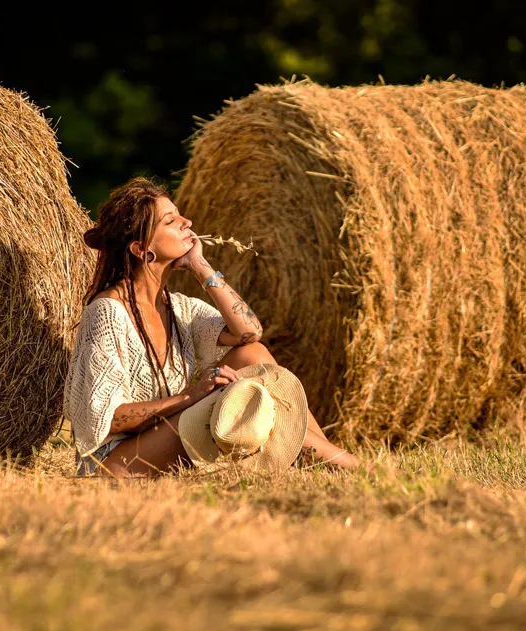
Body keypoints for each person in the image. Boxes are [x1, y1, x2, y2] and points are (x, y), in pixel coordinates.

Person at [63, 177, 360, 477]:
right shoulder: (107, 313)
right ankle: (352, 468)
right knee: (224, 399)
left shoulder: (179, 309)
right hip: (114, 462)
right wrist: (190, 397)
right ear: (141, 249)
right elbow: (107, 418)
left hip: (162, 438)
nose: (186, 221)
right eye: (171, 220)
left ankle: (329, 461)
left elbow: (249, 331)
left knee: (252, 355)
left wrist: (200, 266)